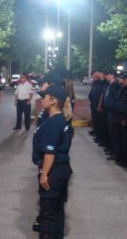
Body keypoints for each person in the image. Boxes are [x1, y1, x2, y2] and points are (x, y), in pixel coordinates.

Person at [32, 85, 73, 238]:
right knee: (56, 210)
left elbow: (50, 152)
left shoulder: (54, 122)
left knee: (48, 214)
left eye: (45, 97)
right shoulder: (59, 119)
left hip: (53, 172)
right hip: (60, 170)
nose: (42, 100)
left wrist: (44, 174)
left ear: (54, 101)